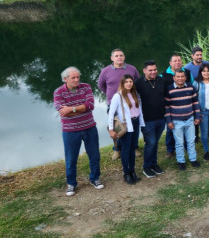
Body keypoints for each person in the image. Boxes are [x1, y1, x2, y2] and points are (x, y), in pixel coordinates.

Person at [54, 67, 103, 196]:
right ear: (65, 79)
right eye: (73, 78)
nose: (77, 80)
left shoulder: (86, 87)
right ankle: (71, 183)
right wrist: (81, 109)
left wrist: (72, 109)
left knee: (94, 155)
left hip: (89, 127)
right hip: (70, 131)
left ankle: (95, 178)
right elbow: (63, 113)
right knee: (71, 158)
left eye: (78, 77)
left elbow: (90, 106)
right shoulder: (58, 92)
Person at [97, 48, 140, 160]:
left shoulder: (132, 69)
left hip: (130, 103)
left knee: (133, 126)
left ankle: (134, 147)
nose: (119, 57)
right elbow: (101, 85)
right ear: (112, 58)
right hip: (114, 104)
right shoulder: (105, 71)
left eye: (121, 55)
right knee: (117, 127)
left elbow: (137, 82)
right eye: (116, 56)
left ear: (124, 57)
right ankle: (118, 149)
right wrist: (110, 94)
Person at [108, 74, 144, 184]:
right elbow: (111, 113)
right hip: (126, 126)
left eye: (131, 81)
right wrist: (111, 129)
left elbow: (139, 109)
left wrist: (142, 123)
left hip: (135, 122)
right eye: (126, 82)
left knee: (133, 148)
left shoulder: (135, 94)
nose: (129, 83)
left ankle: (132, 171)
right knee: (125, 149)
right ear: (123, 83)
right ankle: (126, 173)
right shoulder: (117, 96)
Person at [135, 60, 168, 178]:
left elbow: (166, 96)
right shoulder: (138, 83)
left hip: (161, 118)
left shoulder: (161, 80)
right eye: (150, 70)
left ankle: (154, 164)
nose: (153, 72)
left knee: (155, 143)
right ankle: (147, 167)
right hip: (147, 120)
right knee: (151, 143)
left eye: (155, 69)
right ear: (144, 71)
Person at [161, 54, 196, 158]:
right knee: (170, 130)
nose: (177, 63)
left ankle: (186, 148)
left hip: (186, 106)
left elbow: (192, 86)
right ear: (170, 63)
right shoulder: (163, 75)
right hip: (172, 108)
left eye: (179, 61)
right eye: (175, 61)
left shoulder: (187, 73)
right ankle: (170, 150)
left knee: (186, 130)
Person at [166, 69, 201, 170]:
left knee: (191, 141)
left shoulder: (190, 87)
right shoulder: (169, 89)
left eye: (182, 76)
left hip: (190, 119)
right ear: (174, 77)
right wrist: (169, 121)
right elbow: (167, 107)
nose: (180, 79)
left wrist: (197, 117)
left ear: (185, 77)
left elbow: (195, 103)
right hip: (176, 121)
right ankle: (181, 161)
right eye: (178, 77)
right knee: (179, 143)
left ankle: (193, 159)